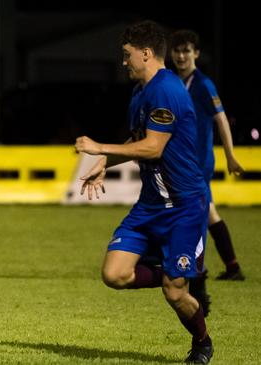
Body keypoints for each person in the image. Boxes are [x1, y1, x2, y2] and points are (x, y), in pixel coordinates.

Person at [75, 21, 213, 364]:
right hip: (150, 206)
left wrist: (96, 147)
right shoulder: (141, 92)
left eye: (127, 55)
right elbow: (138, 140)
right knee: (114, 275)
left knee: (175, 292)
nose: (124, 62)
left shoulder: (166, 89)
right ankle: (176, 270)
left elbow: (153, 148)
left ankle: (202, 341)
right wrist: (105, 162)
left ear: (146, 53)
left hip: (184, 207)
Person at [170, 29, 245, 281]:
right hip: (181, 164)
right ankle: (232, 267)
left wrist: (230, 155)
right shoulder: (173, 82)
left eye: (186, 51)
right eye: (177, 51)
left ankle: (195, 268)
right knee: (209, 212)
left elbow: (221, 119)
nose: (181, 56)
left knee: (195, 213)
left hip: (198, 164)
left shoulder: (202, 84)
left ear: (197, 54)